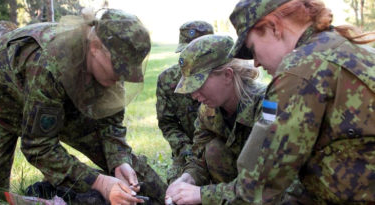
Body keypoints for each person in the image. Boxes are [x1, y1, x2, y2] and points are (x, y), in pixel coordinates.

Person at [0, 9, 166, 204]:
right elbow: (39, 147)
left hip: (59, 99)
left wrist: (119, 160)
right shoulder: (49, 63)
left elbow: (110, 124)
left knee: (148, 185)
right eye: (118, 69)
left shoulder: (112, 64)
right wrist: (101, 183)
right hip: (0, 103)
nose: (120, 78)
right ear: (95, 47)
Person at [225, 0, 375, 204]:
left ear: (273, 27)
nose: (256, 62)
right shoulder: (344, 45)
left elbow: (260, 183)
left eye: (252, 49)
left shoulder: (301, 67)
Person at [165, 34, 266, 204]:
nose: (194, 95)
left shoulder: (266, 106)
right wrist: (187, 178)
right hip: (235, 193)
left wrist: (203, 194)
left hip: (270, 193)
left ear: (227, 75)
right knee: (213, 150)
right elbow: (199, 159)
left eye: (198, 84)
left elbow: (268, 180)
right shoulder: (208, 111)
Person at [156, 20, 214, 183]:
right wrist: (186, 151)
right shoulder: (168, 79)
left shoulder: (222, 77)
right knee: (177, 187)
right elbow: (168, 123)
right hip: (186, 152)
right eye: (187, 52)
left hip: (218, 150)